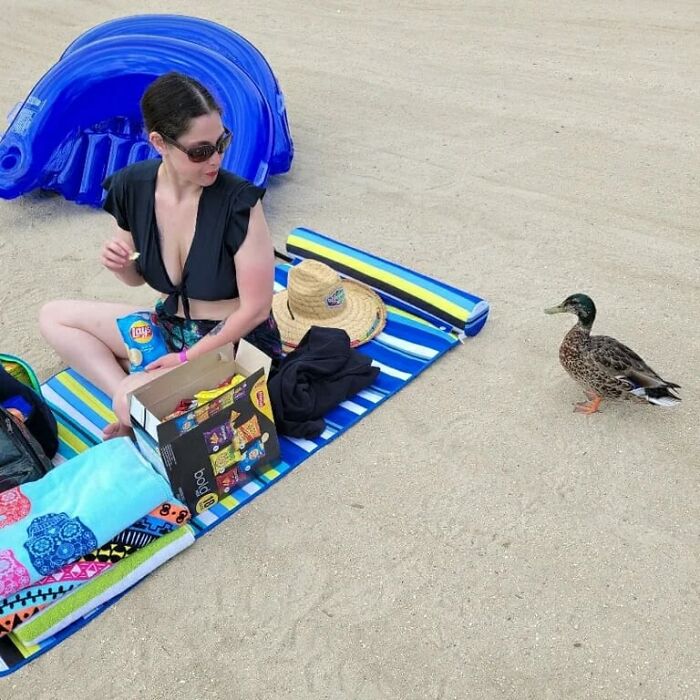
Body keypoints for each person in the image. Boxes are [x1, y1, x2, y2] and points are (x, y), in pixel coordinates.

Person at [39, 72, 283, 439]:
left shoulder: (239, 201)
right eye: (200, 150)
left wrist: (187, 359)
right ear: (159, 143)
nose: (215, 159)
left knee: (129, 402)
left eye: (222, 143)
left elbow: (257, 309)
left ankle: (136, 397)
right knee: (53, 316)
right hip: (168, 326)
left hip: (229, 340)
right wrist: (123, 267)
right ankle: (132, 387)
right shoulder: (132, 187)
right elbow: (137, 277)